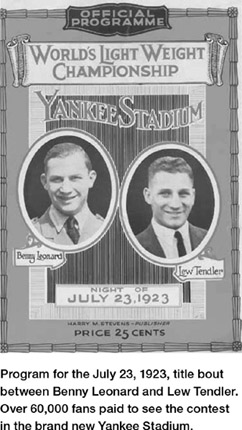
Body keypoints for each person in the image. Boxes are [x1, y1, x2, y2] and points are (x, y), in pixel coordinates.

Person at [32, 142, 104, 246]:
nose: (66, 189)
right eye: (57, 179)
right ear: (45, 182)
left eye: (75, 178)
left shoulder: (106, 229)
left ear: (91, 179)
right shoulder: (30, 232)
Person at [136, 156, 207, 259]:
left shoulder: (210, 238)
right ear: (148, 196)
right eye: (165, 194)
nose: (175, 205)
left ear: (193, 196)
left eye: (183, 194)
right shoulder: (133, 246)